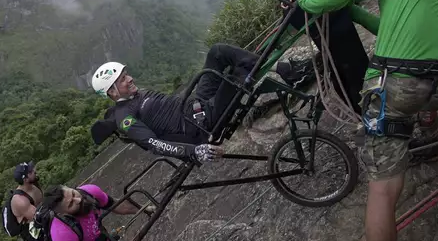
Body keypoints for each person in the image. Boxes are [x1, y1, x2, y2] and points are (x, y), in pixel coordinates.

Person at [296, 0, 438, 241]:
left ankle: (416, 132)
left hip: (397, 85)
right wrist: (351, 12)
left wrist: (309, 2)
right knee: (426, 94)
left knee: (383, 190)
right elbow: (393, 28)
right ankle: (432, 128)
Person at [90, 44, 312, 164]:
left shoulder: (136, 96)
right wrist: (195, 151)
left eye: (127, 74)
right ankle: (292, 74)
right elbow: (154, 144)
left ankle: (288, 72)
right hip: (204, 122)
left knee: (218, 53)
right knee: (240, 74)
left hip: (197, 103)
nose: (130, 79)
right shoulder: (125, 118)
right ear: (112, 91)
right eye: (122, 80)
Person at [40, 184, 153, 241]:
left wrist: (144, 209)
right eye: (71, 204)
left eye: (73, 193)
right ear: (61, 213)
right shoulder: (62, 234)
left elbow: (115, 205)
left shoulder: (89, 192)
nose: (78, 200)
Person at [2, 161, 46, 241]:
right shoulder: (20, 200)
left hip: (41, 215)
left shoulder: (34, 184)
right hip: (31, 228)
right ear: (25, 179)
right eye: (30, 172)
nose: (34, 171)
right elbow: (38, 217)